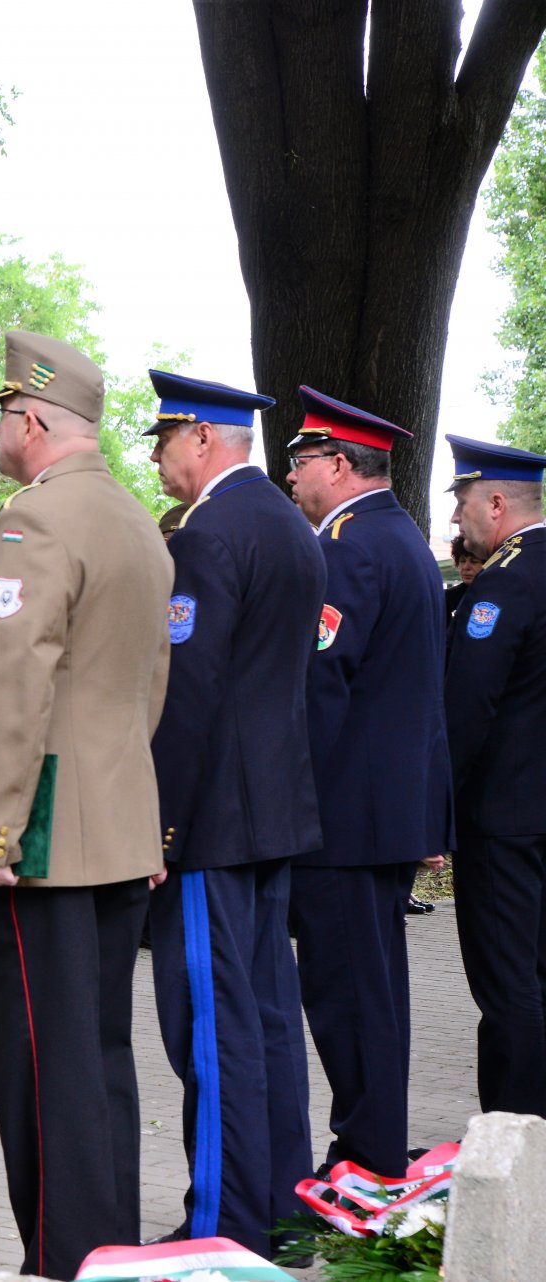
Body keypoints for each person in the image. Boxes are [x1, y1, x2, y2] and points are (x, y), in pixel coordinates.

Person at [0, 333, 171, 1278]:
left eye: (4, 414)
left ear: (33, 420)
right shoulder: (136, 519)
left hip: (42, 835)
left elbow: (15, 685)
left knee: (41, 1061)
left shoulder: (35, 519)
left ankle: (62, 1258)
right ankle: (109, 1246)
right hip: (118, 827)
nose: (0, 432)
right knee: (100, 1052)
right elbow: (149, 685)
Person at [144, 369, 323, 1255]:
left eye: (165, 440)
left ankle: (225, 1223)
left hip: (211, 821)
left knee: (212, 1033)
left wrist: (161, 826)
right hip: (272, 811)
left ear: (203, 439)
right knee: (269, 1022)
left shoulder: (209, 533)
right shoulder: (290, 524)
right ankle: (286, 1212)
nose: (158, 458)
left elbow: (189, 693)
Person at [282, 387, 450, 1176]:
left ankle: (366, 1153)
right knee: (373, 991)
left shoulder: (348, 545)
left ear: (340, 464)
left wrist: (288, 796)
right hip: (383, 809)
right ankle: (374, 1141)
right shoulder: (400, 535)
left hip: (344, 814)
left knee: (346, 994)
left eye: (302, 459)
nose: (291, 475)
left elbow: (321, 685)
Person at [442, 433, 546, 1117]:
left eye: (462, 503)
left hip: (503, 818)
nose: (457, 518)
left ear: (497, 505)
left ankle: (513, 1137)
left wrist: (436, 808)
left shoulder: (507, 581)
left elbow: (466, 708)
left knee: (508, 983)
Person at [445, 533, 485, 620]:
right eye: (462, 561)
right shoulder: (447, 598)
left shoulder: (498, 595)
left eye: (474, 561)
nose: (466, 567)